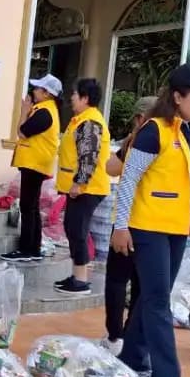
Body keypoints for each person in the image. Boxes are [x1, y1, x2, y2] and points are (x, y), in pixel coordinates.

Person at [111, 64, 190, 377]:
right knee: (159, 302)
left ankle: (132, 357)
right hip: (147, 227)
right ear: (177, 96)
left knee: (151, 297)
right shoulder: (153, 130)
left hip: (176, 230)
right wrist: (121, 226)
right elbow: (129, 177)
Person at [100, 95, 157, 354]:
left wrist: (127, 142)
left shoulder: (139, 140)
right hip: (153, 224)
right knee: (140, 284)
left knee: (117, 279)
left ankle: (115, 336)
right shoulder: (172, 139)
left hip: (127, 221)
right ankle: (131, 336)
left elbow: (111, 168)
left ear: (138, 118)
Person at [54, 78, 111, 295]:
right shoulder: (82, 120)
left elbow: (89, 156)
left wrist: (79, 183)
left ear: (85, 98)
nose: (72, 98)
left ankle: (81, 280)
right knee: (73, 228)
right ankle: (78, 274)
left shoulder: (90, 122)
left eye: (75, 94)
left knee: (77, 230)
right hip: (82, 187)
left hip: (88, 188)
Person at [3, 73, 62, 263]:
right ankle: (34, 248)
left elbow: (22, 132)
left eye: (37, 89)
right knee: (32, 206)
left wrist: (23, 111)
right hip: (35, 163)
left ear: (47, 93)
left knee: (28, 206)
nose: (34, 91)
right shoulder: (45, 110)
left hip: (34, 164)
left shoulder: (44, 112)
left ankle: (26, 249)